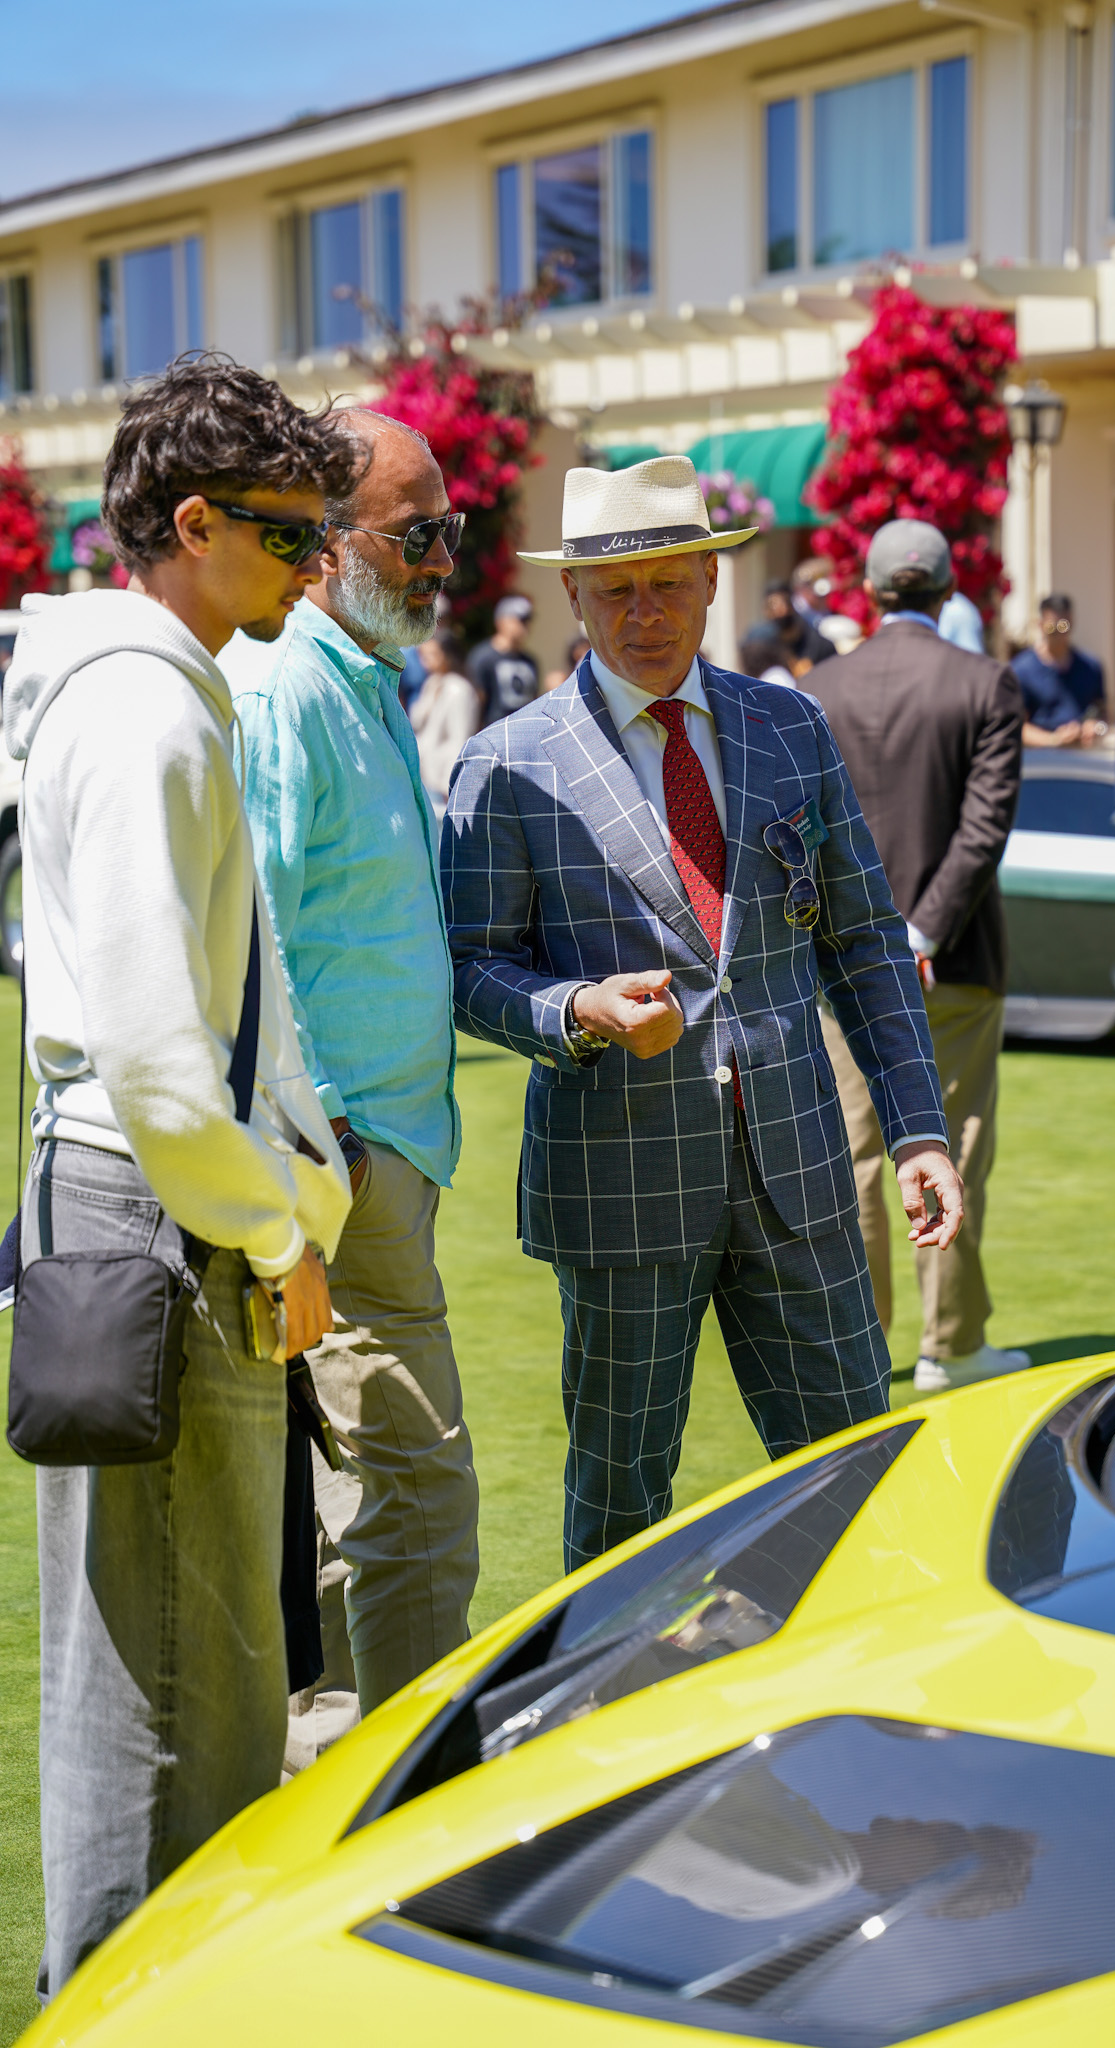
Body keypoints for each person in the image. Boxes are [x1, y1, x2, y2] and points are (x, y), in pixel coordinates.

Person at [444, 456, 963, 1570]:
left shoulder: (791, 726)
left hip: (798, 1173)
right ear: (573, 595)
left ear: (712, 583)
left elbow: (865, 939)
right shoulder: (508, 761)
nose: (645, 614)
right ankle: (612, 1688)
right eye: (616, 591)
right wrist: (575, 1007)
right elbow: (470, 965)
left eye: (669, 585)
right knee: (620, 1515)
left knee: (860, 1485)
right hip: (620, 1185)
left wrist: (917, 1127)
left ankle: (848, 1678)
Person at [5, 354, 355, 1995]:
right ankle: (128, 2007)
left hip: (141, 1201)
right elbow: (156, 1056)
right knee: (170, 1685)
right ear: (194, 523)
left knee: (188, 1669)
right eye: (289, 534)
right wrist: (279, 1231)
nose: (315, 565)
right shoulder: (144, 705)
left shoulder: (149, 688)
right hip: (159, 1213)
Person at [227, 408, 479, 1767]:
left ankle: (334, 1772)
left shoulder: (360, 674)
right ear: (325, 544)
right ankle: (421, 1799)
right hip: (346, 1160)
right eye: (416, 532)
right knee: (420, 1490)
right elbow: (250, 930)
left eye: (451, 529)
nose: (442, 559)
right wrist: (329, 1133)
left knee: (352, 1499)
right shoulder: (288, 691)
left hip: (378, 1156)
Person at [806, 520, 1029, 1391]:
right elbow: (983, 828)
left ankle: (870, 1346)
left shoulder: (818, 688)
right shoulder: (984, 682)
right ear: (947, 591)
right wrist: (922, 932)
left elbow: (806, 834)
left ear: (868, 591)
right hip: (955, 956)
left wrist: (871, 935)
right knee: (953, 1142)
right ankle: (952, 1343)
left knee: (859, 1157)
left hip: (845, 961)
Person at [1012, 594, 1106, 748]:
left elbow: (1102, 714)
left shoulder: (1091, 667)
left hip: (1083, 755)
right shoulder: (1021, 670)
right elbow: (1014, 726)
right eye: (1051, 627)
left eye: (1063, 627)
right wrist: (1054, 739)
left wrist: (1095, 727)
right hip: (1040, 758)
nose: (1058, 634)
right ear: (1040, 625)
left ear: (1072, 623)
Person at [410, 626, 482, 803]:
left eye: (432, 655)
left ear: (447, 655)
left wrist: (448, 782)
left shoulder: (458, 689)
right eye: (423, 656)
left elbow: (459, 738)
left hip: (442, 780)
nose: (426, 661)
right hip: (425, 775)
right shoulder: (432, 682)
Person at [467, 591, 539, 722]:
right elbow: (476, 701)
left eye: (528, 620)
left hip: (524, 728)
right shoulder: (483, 657)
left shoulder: (529, 661)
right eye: (521, 620)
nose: (525, 626)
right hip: (493, 728)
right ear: (501, 621)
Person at [763, 576, 833, 674]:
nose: (779, 611)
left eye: (784, 603)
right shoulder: (765, 641)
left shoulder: (815, 642)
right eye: (771, 606)